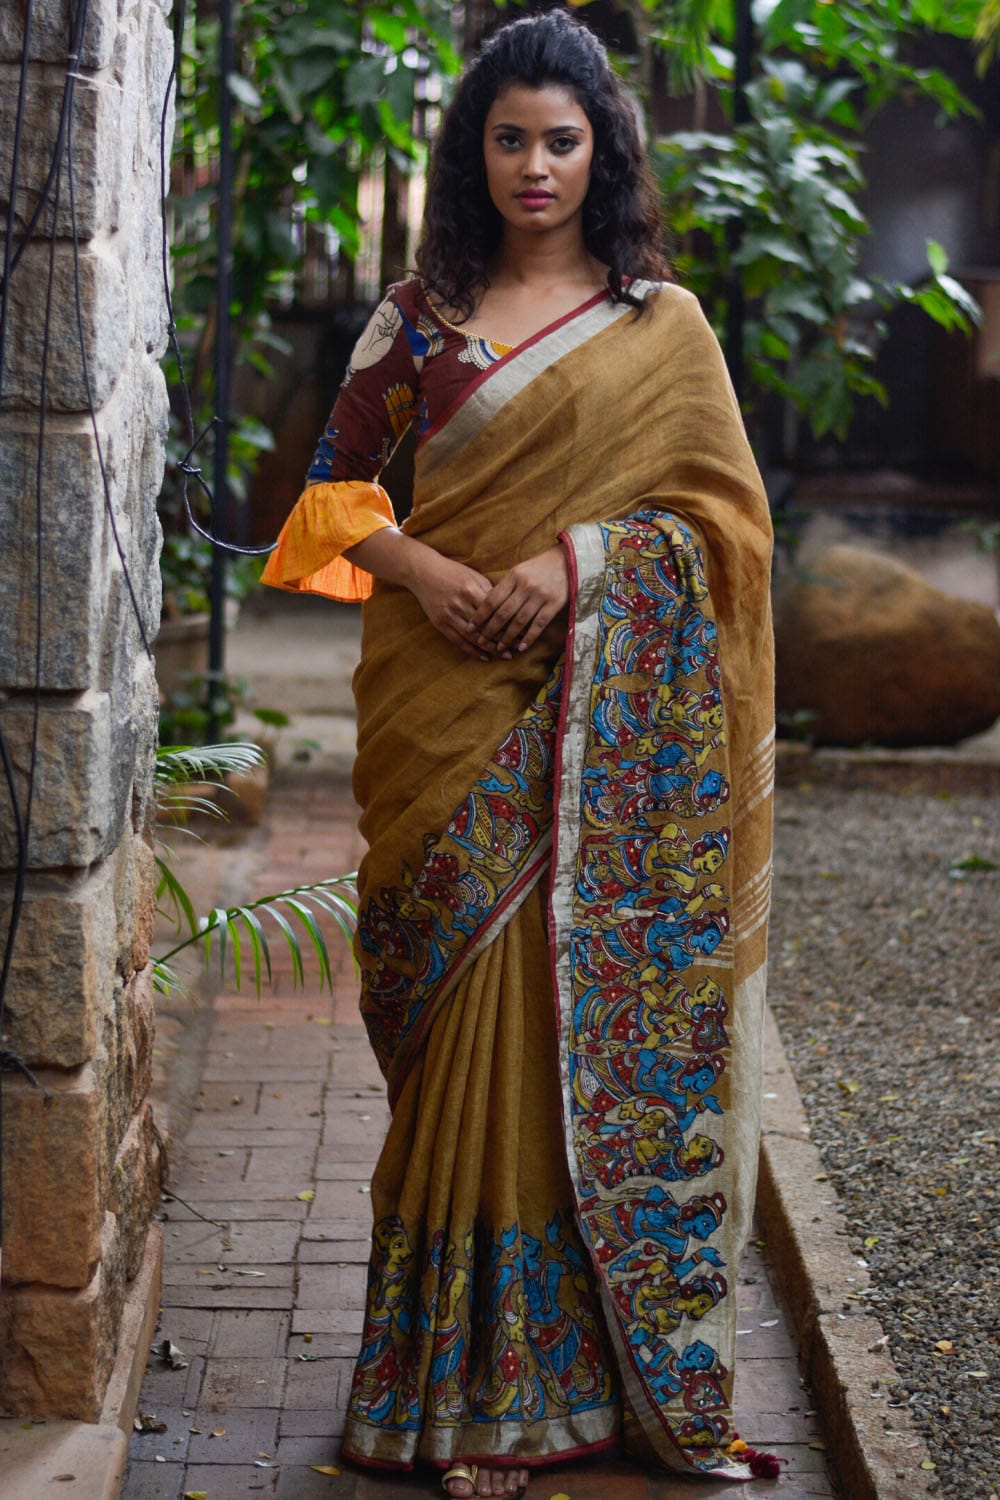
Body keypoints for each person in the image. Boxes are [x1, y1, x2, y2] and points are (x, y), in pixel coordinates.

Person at [262, 11, 775, 1497]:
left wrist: (581, 564)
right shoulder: (419, 316)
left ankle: (565, 1384)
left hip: (589, 710)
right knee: (457, 1032)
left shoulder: (657, 327)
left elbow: (727, 533)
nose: (536, 166)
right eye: (509, 138)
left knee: (564, 1029)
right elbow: (329, 496)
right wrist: (426, 576)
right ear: (472, 148)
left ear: (602, 149)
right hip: (439, 702)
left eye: (563, 140)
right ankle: (452, 1383)